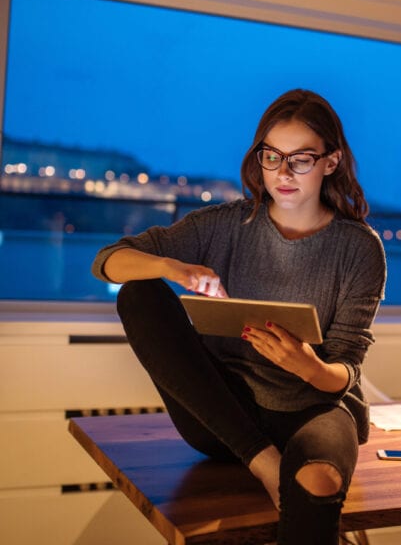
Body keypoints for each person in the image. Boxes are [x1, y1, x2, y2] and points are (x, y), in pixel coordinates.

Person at [91, 88, 386, 544]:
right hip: (224, 416)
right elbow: (108, 260)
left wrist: (308, 365)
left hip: (316, 410)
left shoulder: (359, 248)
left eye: (301, 159)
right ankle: (265, 463)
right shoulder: (223, 224)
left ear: (331, 161)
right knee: (138, 293)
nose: (283, 173)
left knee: (319, 482)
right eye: (272, 157)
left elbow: (345, 370)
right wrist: (173, 267)